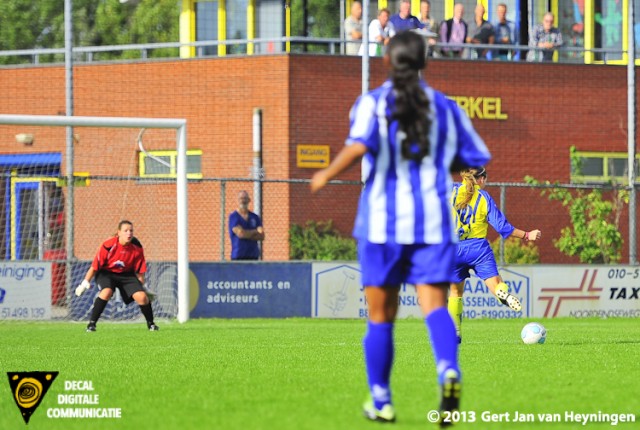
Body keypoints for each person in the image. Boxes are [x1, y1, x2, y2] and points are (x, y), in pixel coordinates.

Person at [311, 31, 491, 424]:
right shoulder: (445, 108)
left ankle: (381, 399)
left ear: (388, 60)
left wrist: (326, 173)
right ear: (425, 61)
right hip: (431, 222)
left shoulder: (372, 103)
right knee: (435, 306)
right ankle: (448, 370)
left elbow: (359, 146)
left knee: (381, 316)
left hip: (381, 225)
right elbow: (476, 157)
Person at [448, 167, 541, 343]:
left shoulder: (451, 190)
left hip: (453, 250)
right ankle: (503, 294)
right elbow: (503, 228)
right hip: (478, 249)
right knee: (496, 285)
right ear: (481, 179)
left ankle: (455, 332)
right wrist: (527, 235)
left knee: (455, 292)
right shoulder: (484, 198)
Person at [75, 220, 159, 332]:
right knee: (106, 292)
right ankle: (91, 324)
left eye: (131, 231)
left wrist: (143, 288)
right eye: (125, 231)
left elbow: (139, 271)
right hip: (106, 273)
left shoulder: (137, 247)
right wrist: (84, 283)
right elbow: (94, 266)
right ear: (119, 232)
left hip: (126, 274)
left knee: (142, 297)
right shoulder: (108, 245)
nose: (129, 233)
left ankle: (151, 324)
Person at [228, 190, 264, 260]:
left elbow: (261, 235)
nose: (243, 201)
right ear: (238, 200)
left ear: (249, 200)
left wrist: (246, 233)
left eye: (245, 198)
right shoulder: (234, 217)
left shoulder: (255, 217)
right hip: (238, 256)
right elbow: (241, 234)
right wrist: (254, 232)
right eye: (241, 198)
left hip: (253, 256)